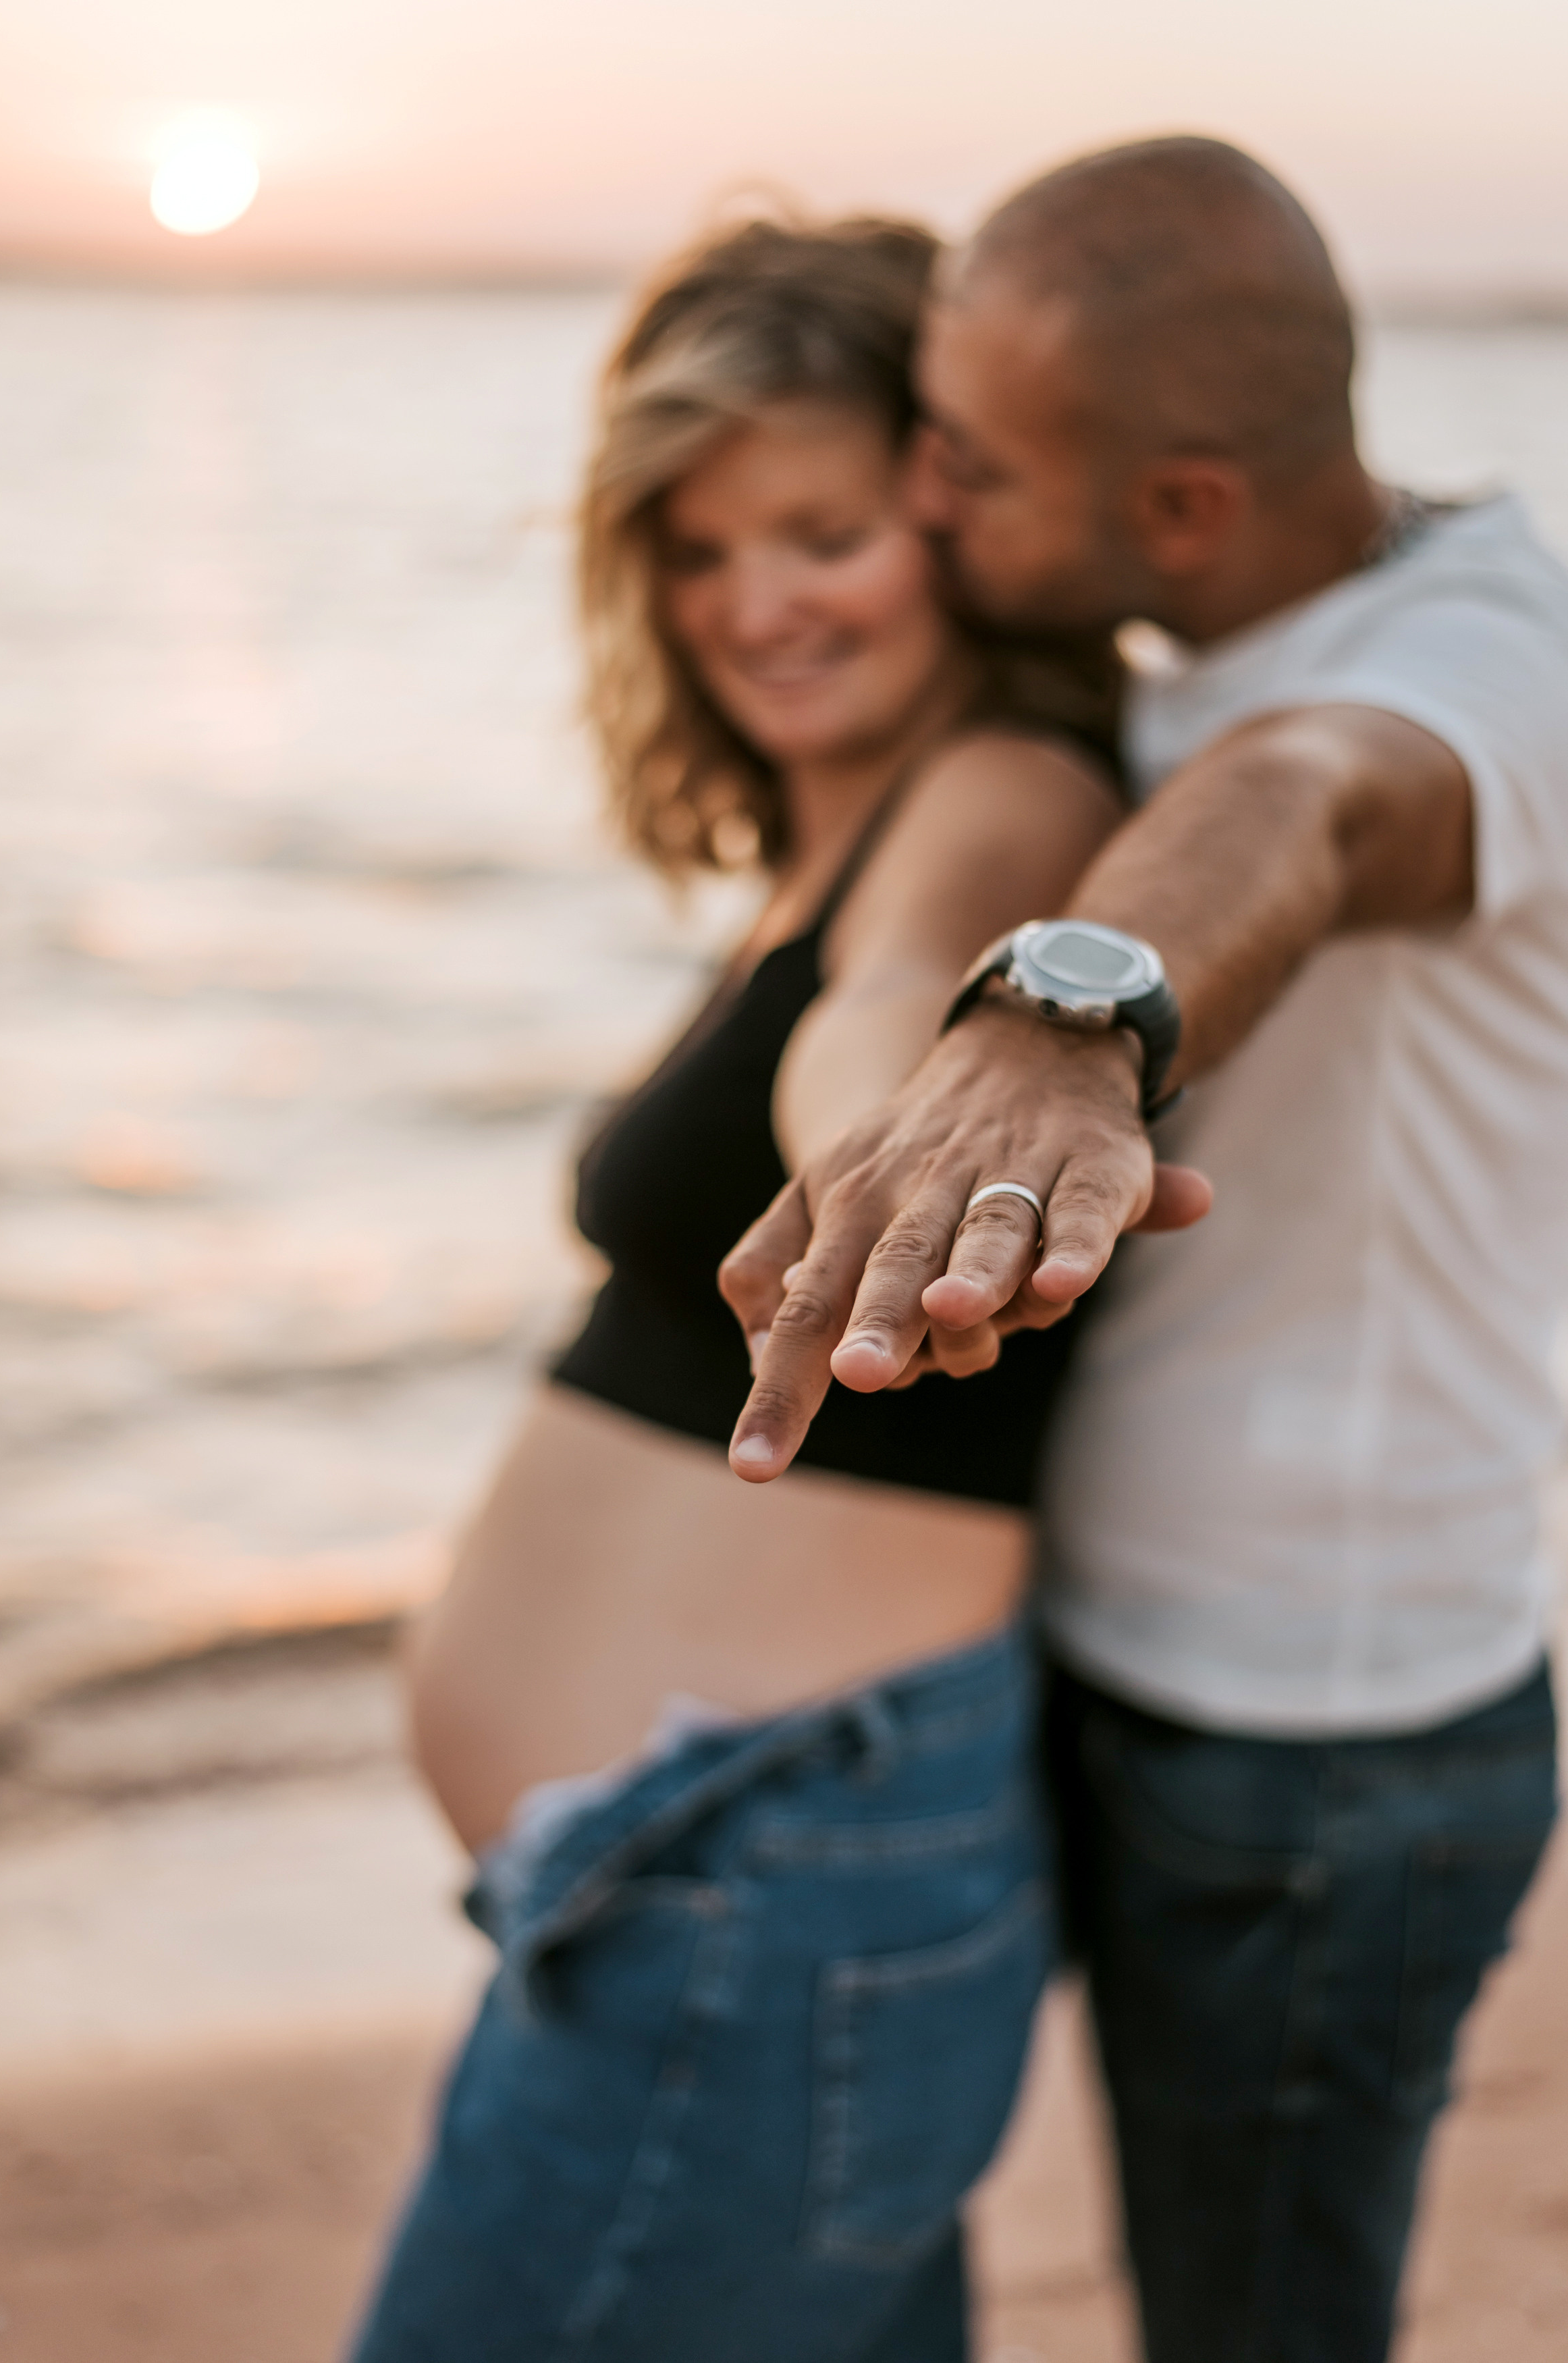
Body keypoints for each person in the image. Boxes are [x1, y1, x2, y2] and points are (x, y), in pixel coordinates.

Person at [720, 138, 1567, 2362]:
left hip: (1323, 1743)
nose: (920, 507)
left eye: (970, 467)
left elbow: (1299, 805)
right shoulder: (1191, 630)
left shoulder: (1478, 656)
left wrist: (1065, 1012)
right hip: (1093, 1662)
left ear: (1182, 500)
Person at [346, 217, 1202, 2363]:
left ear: (950, 509)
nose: (756, 602)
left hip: (758, 1902)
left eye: (819, 530)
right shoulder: (819, 839)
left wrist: (892, 1140)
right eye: (701, 549)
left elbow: (903, 1001)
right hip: (728, 1896)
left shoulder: (999, 794)